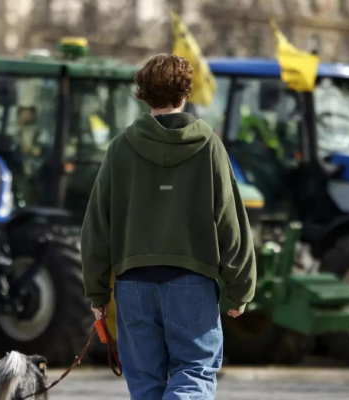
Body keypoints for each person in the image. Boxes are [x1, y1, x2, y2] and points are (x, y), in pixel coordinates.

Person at [81, 54, 257, 400]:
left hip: (132, 287)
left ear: (143, 95)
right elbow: (230, 219)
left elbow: (97, 225)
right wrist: (240, 287)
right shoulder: (208, 145)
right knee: (194, 372)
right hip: (191, 282)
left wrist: (97, 293)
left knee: (145, 384)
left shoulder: (120, 148)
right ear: (186, 93)